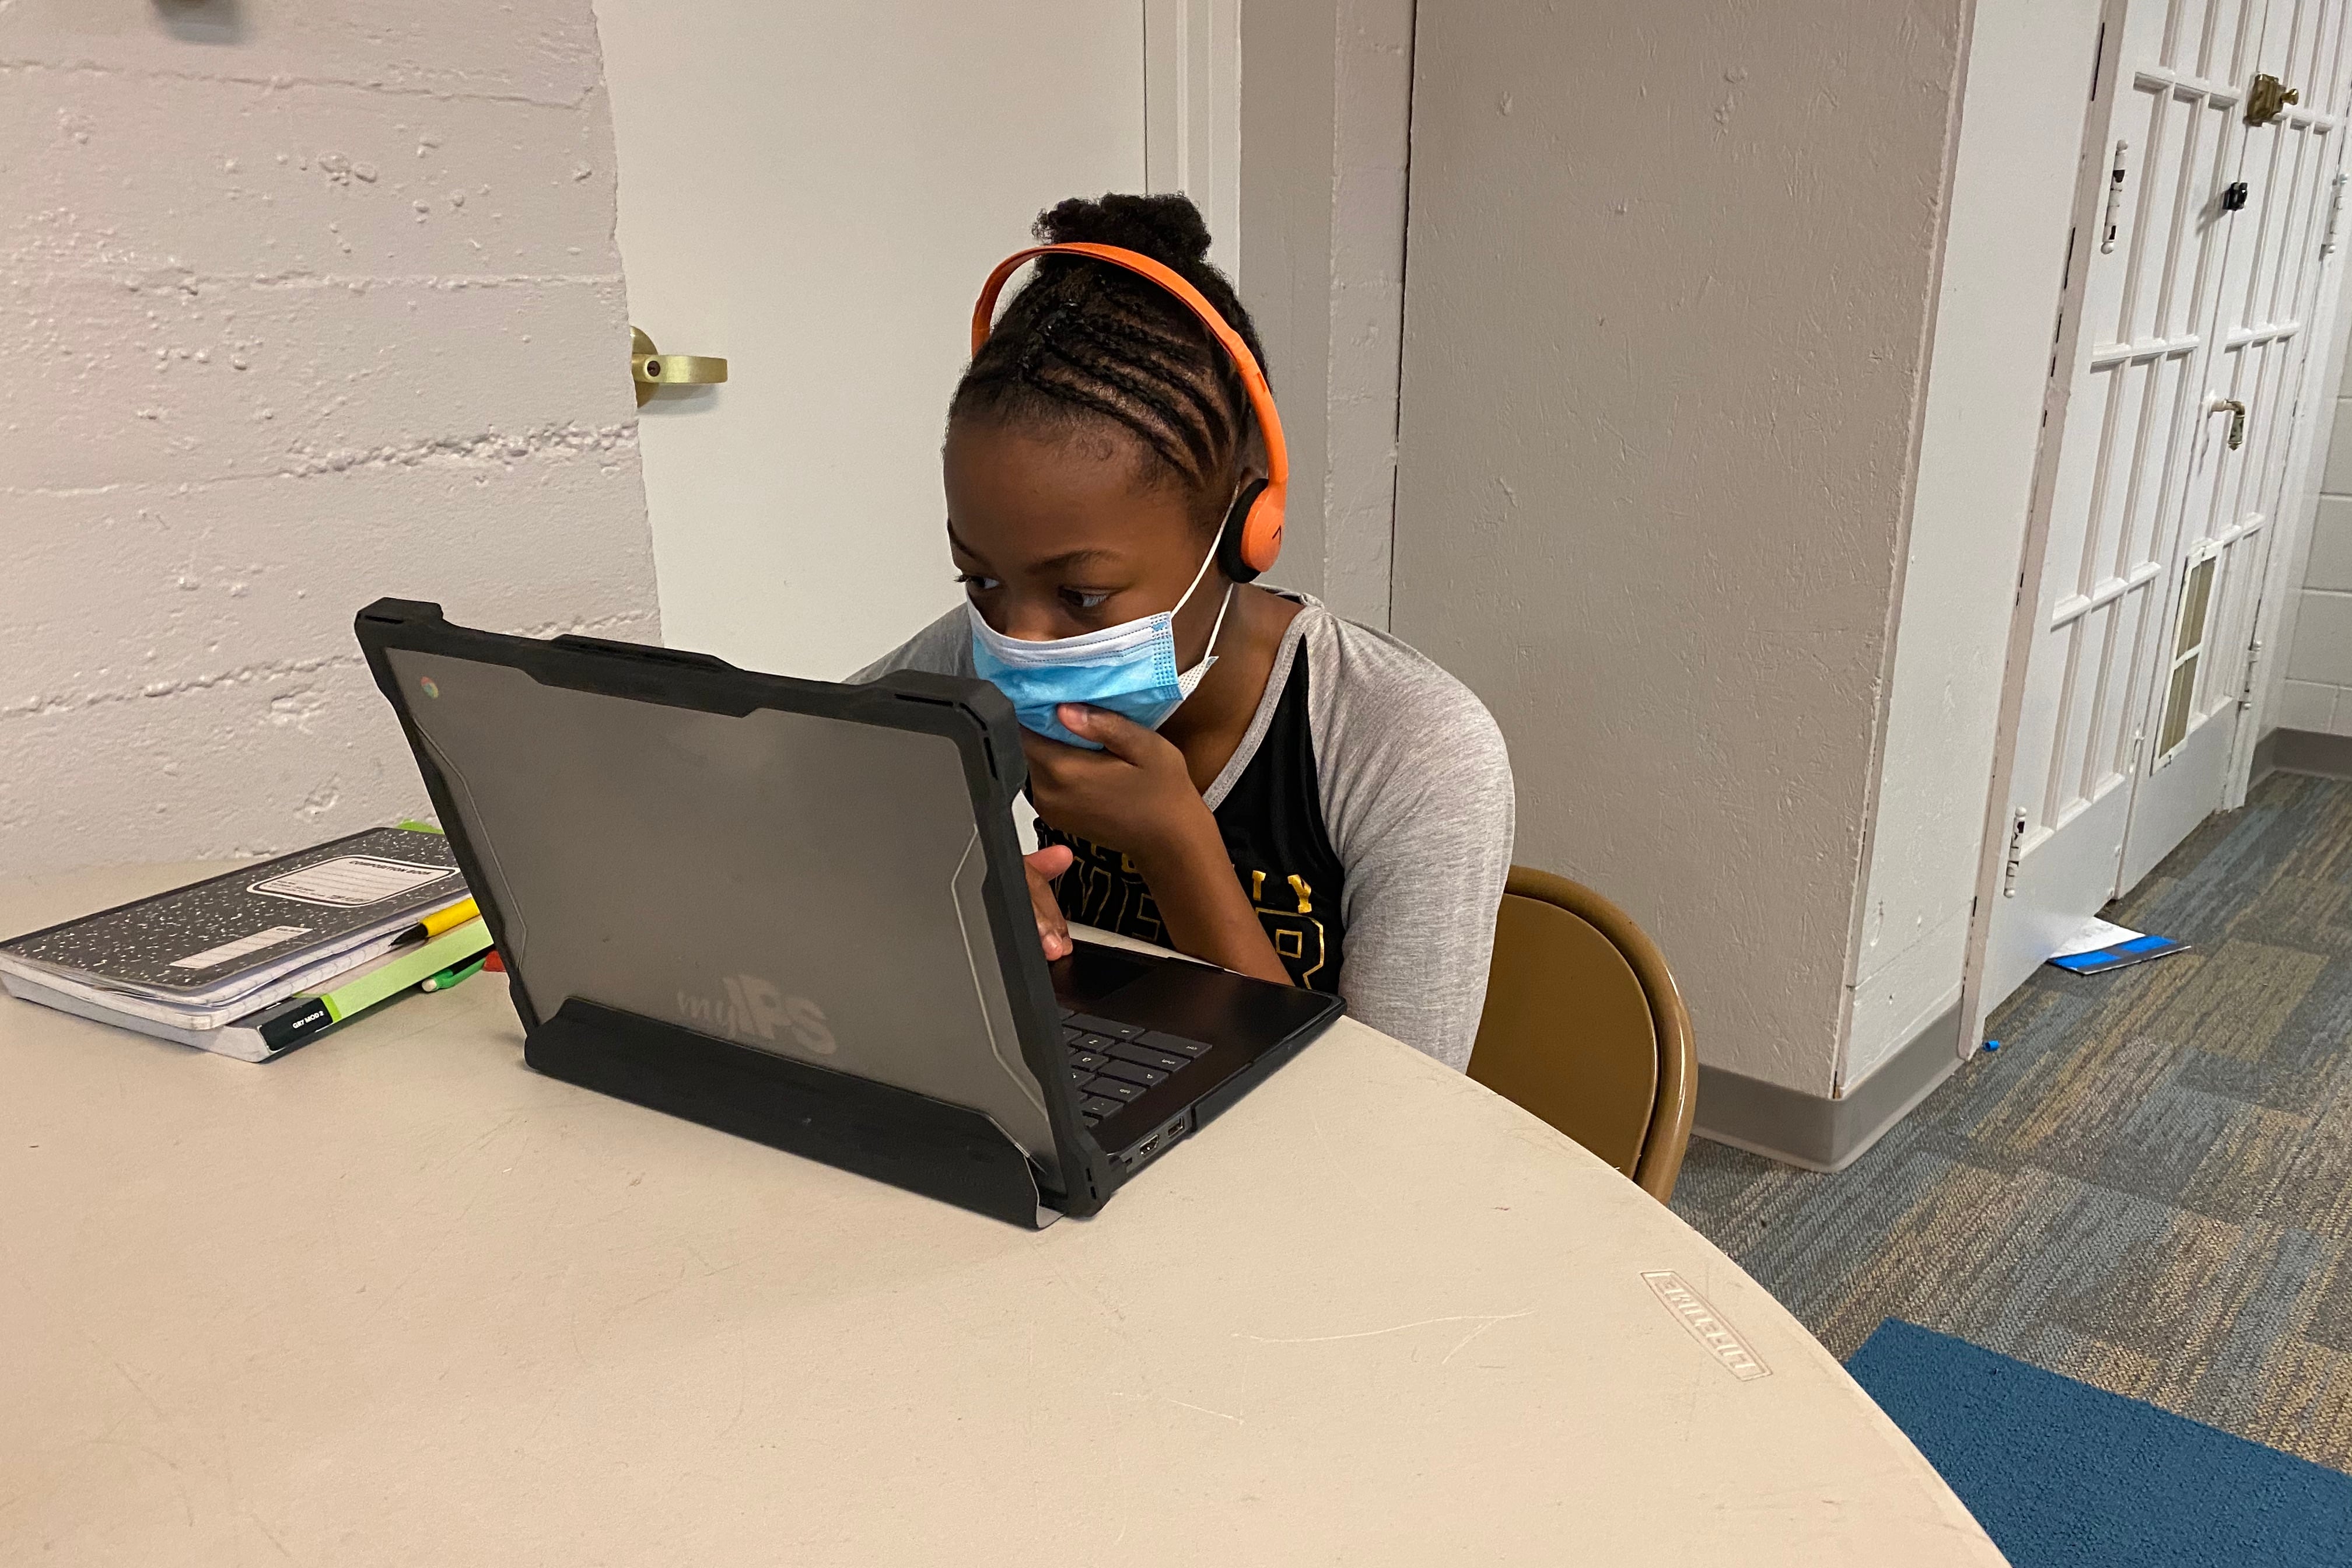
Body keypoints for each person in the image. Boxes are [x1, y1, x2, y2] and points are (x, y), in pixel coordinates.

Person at [858, 192, 1513, 1070]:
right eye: (979, 578)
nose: (1020, 641)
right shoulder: (980, 647)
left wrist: (1175, 847)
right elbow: (801, 772)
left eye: (1083, 597)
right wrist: (945, 868)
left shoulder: (1411, 747)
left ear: (1247, 531)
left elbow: (1387, 1135)